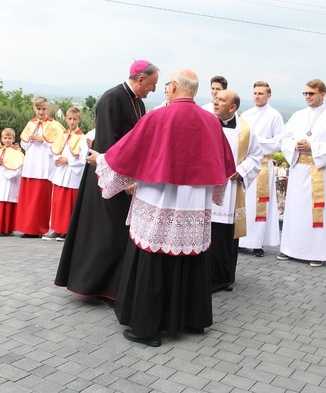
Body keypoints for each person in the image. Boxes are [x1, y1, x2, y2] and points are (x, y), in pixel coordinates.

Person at [93, 68, 235, 346]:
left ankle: (148, 328)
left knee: (155, 258)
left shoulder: (158, 116)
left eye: (168, 85)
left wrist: (101, 160)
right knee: (190, 257)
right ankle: (192, 320)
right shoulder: (210, 121)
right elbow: (225, 164)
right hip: (194, 205)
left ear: (174, 89)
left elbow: (126, 152)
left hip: (160, 201)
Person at [55, 60, 159, 302]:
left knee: (116, 233)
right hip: (106, 178)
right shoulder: (113, 98)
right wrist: (124, 180)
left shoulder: (138, 102)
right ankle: (98, 285)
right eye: (152, 84)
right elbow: (108, 144)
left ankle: (114, 285)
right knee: (107, 233)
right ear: (140, 79)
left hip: (124, 176)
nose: (153, 90)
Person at [278, 79, 326, 266]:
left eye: (311, 93)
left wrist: (312, 147)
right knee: (295, 212)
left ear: (322, 94)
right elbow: (286, 138)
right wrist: (296, 145)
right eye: (305, 93)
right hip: (299, 169)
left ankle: (316, 253)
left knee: (317, 212)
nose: (308, 96)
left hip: (319, 171)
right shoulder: (298, 115)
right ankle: (290, 249)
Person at [211, 89, 262, 291]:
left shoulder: (245, 130)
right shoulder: (207, 122)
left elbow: (256, 156)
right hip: (207, 190)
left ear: (232, 107)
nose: (215, 101)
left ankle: (224, 278)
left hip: (231, 191)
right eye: (215, 98)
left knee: (224, 235)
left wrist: (241, 170)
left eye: (221, 100)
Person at [239, 81, 284, 258]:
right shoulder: (246, 114)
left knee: (260, 206)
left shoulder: (275, 116)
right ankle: (242, 241)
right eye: (255, 93)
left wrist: (257, 142)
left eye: (261, 93)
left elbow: (278, 142)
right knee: (245, 204)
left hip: (264, 165)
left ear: (269, 95)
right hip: (247, 164)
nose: (257, 96)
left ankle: (258, 243)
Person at [14, 97, 65, 238]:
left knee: (40, 200)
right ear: (34, 109)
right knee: (28, 200)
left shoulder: (55, 125)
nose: (41, 112)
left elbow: (59, 146)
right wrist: (30, 139)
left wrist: (43, 141)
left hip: (44, 167)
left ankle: (40, 228)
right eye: (38, 109)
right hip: (30, 165)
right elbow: (23, 144)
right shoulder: (30, 124)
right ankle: (27, 228)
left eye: (44, 109)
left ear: (47, 109)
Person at [45, 107, 88, 240]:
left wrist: (68, 160)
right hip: (61, 172)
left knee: (69, 203)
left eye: (75, 119)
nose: (72, 122)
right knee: (58, 201)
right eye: (70, 118)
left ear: (79, 120)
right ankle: (57, 229)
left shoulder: (82, 138)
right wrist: (57, 159)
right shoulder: (62, 135)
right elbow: (55, 150)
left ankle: (67, 231)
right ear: (66, 119)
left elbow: (82, 158)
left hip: (72, 174)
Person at [0, 128, 25, 237]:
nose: (7, 140)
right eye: (5, 138)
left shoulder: (17, 152)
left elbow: (19, 167)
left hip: (9, 181)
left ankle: (6, 229)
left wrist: (8, 174)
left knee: (7, 204)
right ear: (1, 138)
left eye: (9, 138)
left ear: (13, 139)